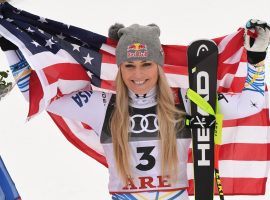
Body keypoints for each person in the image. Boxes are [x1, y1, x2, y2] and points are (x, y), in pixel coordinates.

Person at [0, 19, 269, 199]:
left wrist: (256, 60)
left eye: (146, 64)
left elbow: (251, 104)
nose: (138, 74)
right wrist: (12, 45)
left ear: (159, 66)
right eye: (129, 65)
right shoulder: (102, 104)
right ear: (119, 69)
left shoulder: (187, 100)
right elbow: (37, 94)